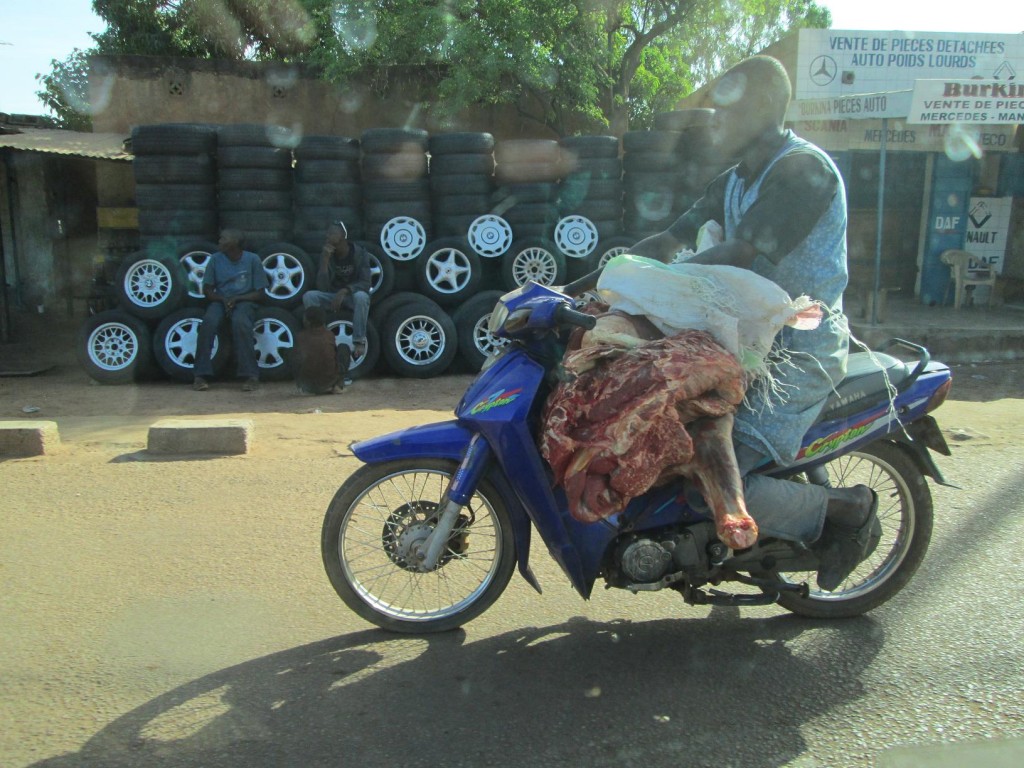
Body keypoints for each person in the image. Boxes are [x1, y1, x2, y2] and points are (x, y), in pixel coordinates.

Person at [629, 55, 879, 591]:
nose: (715, 120)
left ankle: (847, 508)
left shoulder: (802, 171)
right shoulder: (737, 177)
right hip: (745, 341)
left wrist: (648, 283)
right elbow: (667, 240)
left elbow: (740, 253)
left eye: (727, 109)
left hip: (799, 348)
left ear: (763, 108)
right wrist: (598, 281)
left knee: (706, 473)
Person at [192, 229, 268, 392]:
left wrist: (238, 299)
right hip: (220, 300)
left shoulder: (252, 260)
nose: (219, 241)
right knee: (209, 322)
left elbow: (260, 293)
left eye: (223, 238)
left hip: (245, 301)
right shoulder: (215, 260)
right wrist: (223, 299)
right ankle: (200, 375)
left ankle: (251, 375)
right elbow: (207, 290)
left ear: (234, 242)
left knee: (240, 323)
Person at [301, 221, 371, 361]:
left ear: (343, 236)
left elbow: (365, 282)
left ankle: (358, 341)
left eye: (332, 233)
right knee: (309, 296)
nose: (328, 236)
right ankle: (320, 339)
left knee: (362, 297)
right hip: (332, 296)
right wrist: (325, 262)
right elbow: (322, 287)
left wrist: (345, 290)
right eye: (327, 233)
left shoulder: (360, 253)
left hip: (351, 296)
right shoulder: (327, 255)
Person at [294, 305, 349, 395]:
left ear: (307, 322)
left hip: (309, 385)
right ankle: (338, 386)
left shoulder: (300, 337)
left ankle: (303, 388)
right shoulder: (329, 335)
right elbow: (333, 356)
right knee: (343, 348)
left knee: (289, 353)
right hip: (329, 382)